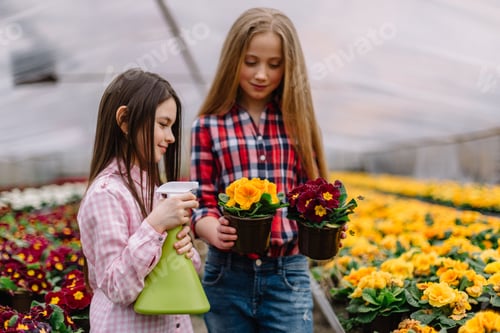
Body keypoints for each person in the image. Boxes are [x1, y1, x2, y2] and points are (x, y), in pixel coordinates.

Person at [190, 7, 337, 333]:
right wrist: (209, 227)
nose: (261, 74)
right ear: (233, 60)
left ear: (289, 66)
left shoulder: (299, 124)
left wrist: (327, 227)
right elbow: (202, 198)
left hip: (287, 273)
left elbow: (311, 198)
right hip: (226, 273)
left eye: (274, 65)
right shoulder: (208, 126)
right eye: (251, 61)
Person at [78, 68, 200, 333]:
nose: (171, 137)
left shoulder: (154, 187)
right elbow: (117, 287)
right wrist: (154, 226)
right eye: (163, 124)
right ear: (124, 121)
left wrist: (185, 249)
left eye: (172, 126)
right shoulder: (107, 193)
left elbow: (178, 271)